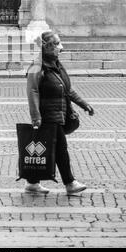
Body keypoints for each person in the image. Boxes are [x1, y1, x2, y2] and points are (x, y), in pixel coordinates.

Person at [26, 31, 95, 195]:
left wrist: (84, 104)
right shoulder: (37, 66)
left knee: (48, 148)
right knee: (60, 148)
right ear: (46, 46)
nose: (61, 48)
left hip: (59, 113)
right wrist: (36, 117)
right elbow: (33, 91)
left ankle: (32, 183)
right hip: (48, 115)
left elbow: (67, 89)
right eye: (56, 44)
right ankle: (70, 183)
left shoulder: (56, 64)